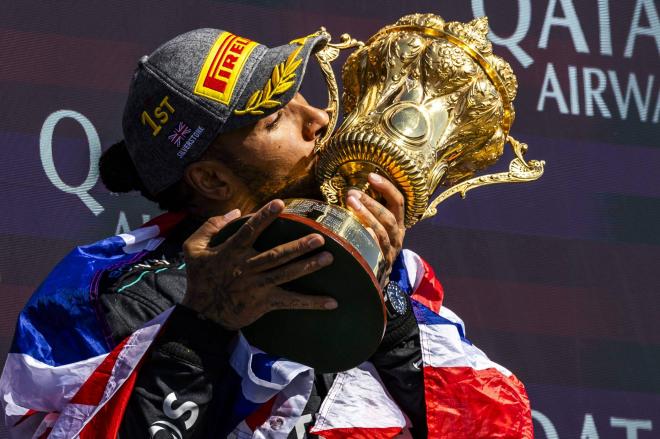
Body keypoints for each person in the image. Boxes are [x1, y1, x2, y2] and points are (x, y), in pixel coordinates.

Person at [1, 27, 532, 438]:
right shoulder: (102, 293)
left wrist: (384, 306)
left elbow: (497, 424)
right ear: (212, 178)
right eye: (277, 116)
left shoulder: (400, 272)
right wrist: (200, 328)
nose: (320, 116)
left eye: (303, 95)